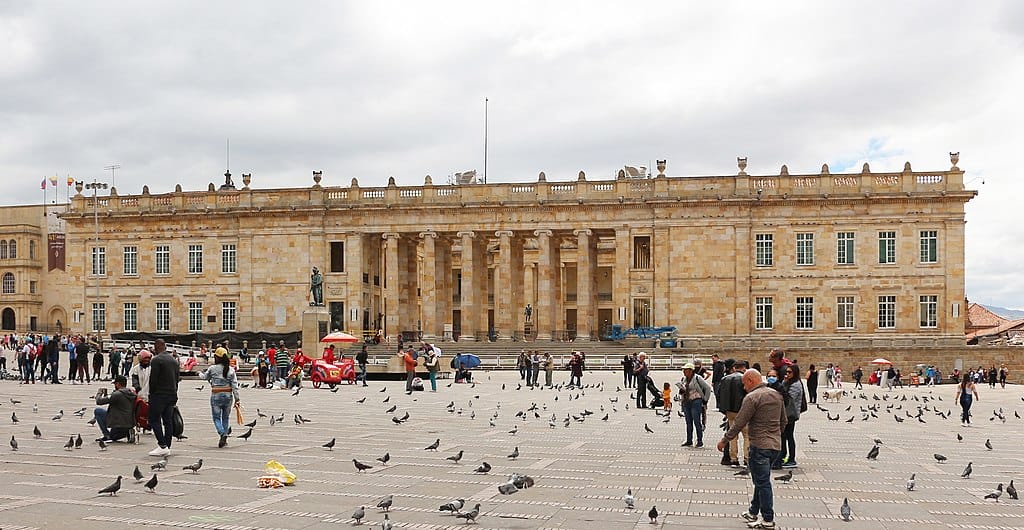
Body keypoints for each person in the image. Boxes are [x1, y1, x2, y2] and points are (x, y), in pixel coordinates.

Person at [717, 369, 787, 530]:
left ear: (750, 381)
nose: (744, 387)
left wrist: (724, 440)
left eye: (744, 384)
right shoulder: (776, 395)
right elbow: (783, 421)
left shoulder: (752, 397)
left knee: (762, 483)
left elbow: (739, 422)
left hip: (759, 445)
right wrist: (775, 435)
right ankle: (753, 511)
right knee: (761, 479)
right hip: (775, 446)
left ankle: (768, 519)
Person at [200, 348, 240, 448]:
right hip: (228, 395)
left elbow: (205, 377)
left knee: (216, 417)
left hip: (216, 394)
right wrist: (237, 398)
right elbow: (235, 385)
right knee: (225, 417)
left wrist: (199, 373)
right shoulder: (230, 369)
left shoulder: (212, 368)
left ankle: (222, 433)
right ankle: (224, 436)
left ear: (216, 357)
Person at [147, 339, 180, 457]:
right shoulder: (174, 360)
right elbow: (177, 379)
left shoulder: (156, 360)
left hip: (159, 394)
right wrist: (175, 392)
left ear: (157, 347)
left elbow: (153, 379)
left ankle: (162, 445)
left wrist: (151, 394)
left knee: (154, 419)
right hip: (171, 394)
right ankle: (167, 446)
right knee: (168, 421)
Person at [718, 360, 749, 467]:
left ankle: (734, 459)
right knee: (747, 435)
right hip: (743, 410)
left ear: (734, 368)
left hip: (730, 411)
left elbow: (719, 394)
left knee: (732, 435)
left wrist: (723, 409)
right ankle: (747, 459)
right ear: (743, 368)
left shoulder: (725, 379)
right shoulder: (744, 378)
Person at [774, 364, 803, 469]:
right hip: (786, 413)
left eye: (790, 372)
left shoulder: (796, 385)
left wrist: (783, 385)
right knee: (784, 436)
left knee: (789, 436)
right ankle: (783, 456)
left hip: (790, 414)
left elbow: (788, 398)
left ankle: (791, 459)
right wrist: (784, 382)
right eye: (787, 372)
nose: (787, 374)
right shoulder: (789, 382)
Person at [93, 375, 137, 443]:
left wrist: (99, 392)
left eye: (115, 384)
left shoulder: (117, 394)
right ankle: (128, 432)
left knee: (98, 411)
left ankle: (107, 435)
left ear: (118, 384)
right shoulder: (131, 393)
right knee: (115, 435)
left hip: (118, 424)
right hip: (130, 423)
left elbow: (99, 401)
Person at [678, 362, 712, 448]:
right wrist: (681, 391)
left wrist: (705, 399)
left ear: (691, 371)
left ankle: (699, 441)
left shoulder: (697, 378)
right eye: (683, 370)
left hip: (696, 401)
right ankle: (689, 440)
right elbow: (683, 388)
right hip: (686, 401)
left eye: (686, 370)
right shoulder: (684, 379)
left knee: (697, 421)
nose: (684, 372)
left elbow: (707, 388)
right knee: (688, 422)